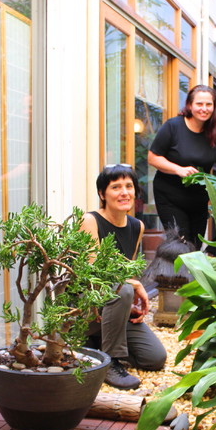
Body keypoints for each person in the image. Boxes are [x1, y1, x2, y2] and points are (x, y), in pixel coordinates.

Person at [81, 164, 167, 390]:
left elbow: (123, 274)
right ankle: (109, 363)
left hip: (111, 303)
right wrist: (133, 285)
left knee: (154, 358)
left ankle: (96, 344)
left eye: (129, 186)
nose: (124, 192)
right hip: (85, 305)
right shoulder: (90, 220)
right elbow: (93, 274)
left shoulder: (136, 226)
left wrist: (126, 305)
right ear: (102, 194)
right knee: (125, 289)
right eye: (116, 187)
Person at [148, 85, 216, 248]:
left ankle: (189, 275)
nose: (204, 109)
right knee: (180, 245)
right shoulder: (173, 126)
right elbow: (153, 157)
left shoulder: (215, 132)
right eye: (199, 104)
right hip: (170, 197)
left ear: (214, 107)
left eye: (208, 104)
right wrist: (178, 169)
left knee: (196, 246)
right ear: (190, 105)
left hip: (198, 199)